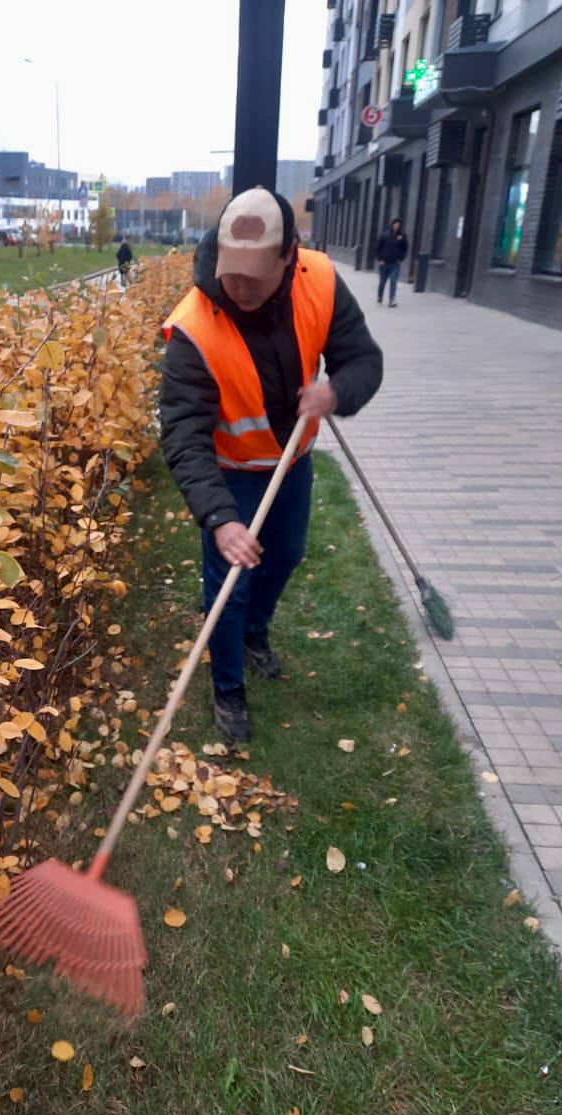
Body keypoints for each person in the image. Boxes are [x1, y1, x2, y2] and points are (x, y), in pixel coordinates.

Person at [160, 188, 383, 744]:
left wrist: (337, 392)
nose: (238, 291)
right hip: (230, 472)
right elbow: (183, 436)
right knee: (229, 583)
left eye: (254, 281)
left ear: (289, 257)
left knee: (285, 554)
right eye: (231, 277)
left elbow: (363, 360)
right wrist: (220, 518)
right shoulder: (193, 327)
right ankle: (228, 689)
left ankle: (256, 632)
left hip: (291, 462)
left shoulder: (321, 281)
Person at [376, 218, 408, 307]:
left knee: (393, 281)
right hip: (384, 263)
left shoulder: (402, 236)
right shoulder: (385, 235)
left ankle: (391, 300)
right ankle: (380, 297)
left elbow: (405, 249)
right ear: (392, 225)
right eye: (395, 224)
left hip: (395, 263)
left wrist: (400, 259)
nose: (396, 226)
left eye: (398, 225)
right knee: (382, 281)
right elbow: (378, 248)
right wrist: (380, 259)